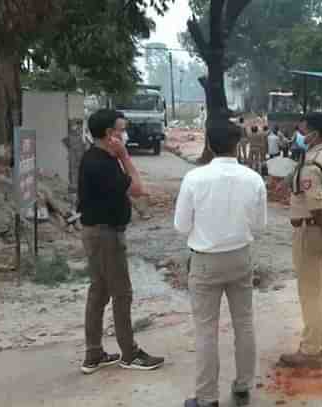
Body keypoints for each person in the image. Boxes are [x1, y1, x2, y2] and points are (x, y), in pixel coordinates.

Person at [175, 121, 268, 407]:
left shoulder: (194, 178)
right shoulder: (253, 179)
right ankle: (242, 386)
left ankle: (206, 398)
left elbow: (181, 226)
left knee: (206, 329)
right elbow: (259, 226)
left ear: (210, 145)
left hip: (205, 261)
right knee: (244, 323)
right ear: (237, 143)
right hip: (240, 257)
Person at [78, 109, 165, 374]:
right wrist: (126, 156)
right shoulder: (103, 162)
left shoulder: (95, 157)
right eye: (121, 129)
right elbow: (138, 189)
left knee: (99, 292)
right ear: (109, 134)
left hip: (96, 232)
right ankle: (130, 353)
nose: (124, 134)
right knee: (121, 294)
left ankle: (93, 354)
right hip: (106, 236)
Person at [279, 112, 322, 368]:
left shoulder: (313, 163)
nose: (299, 134)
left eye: (302, 130)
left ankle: (309, 350)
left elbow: (316, 204)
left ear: (314, 134)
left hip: (311, 231)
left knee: (310, 292)